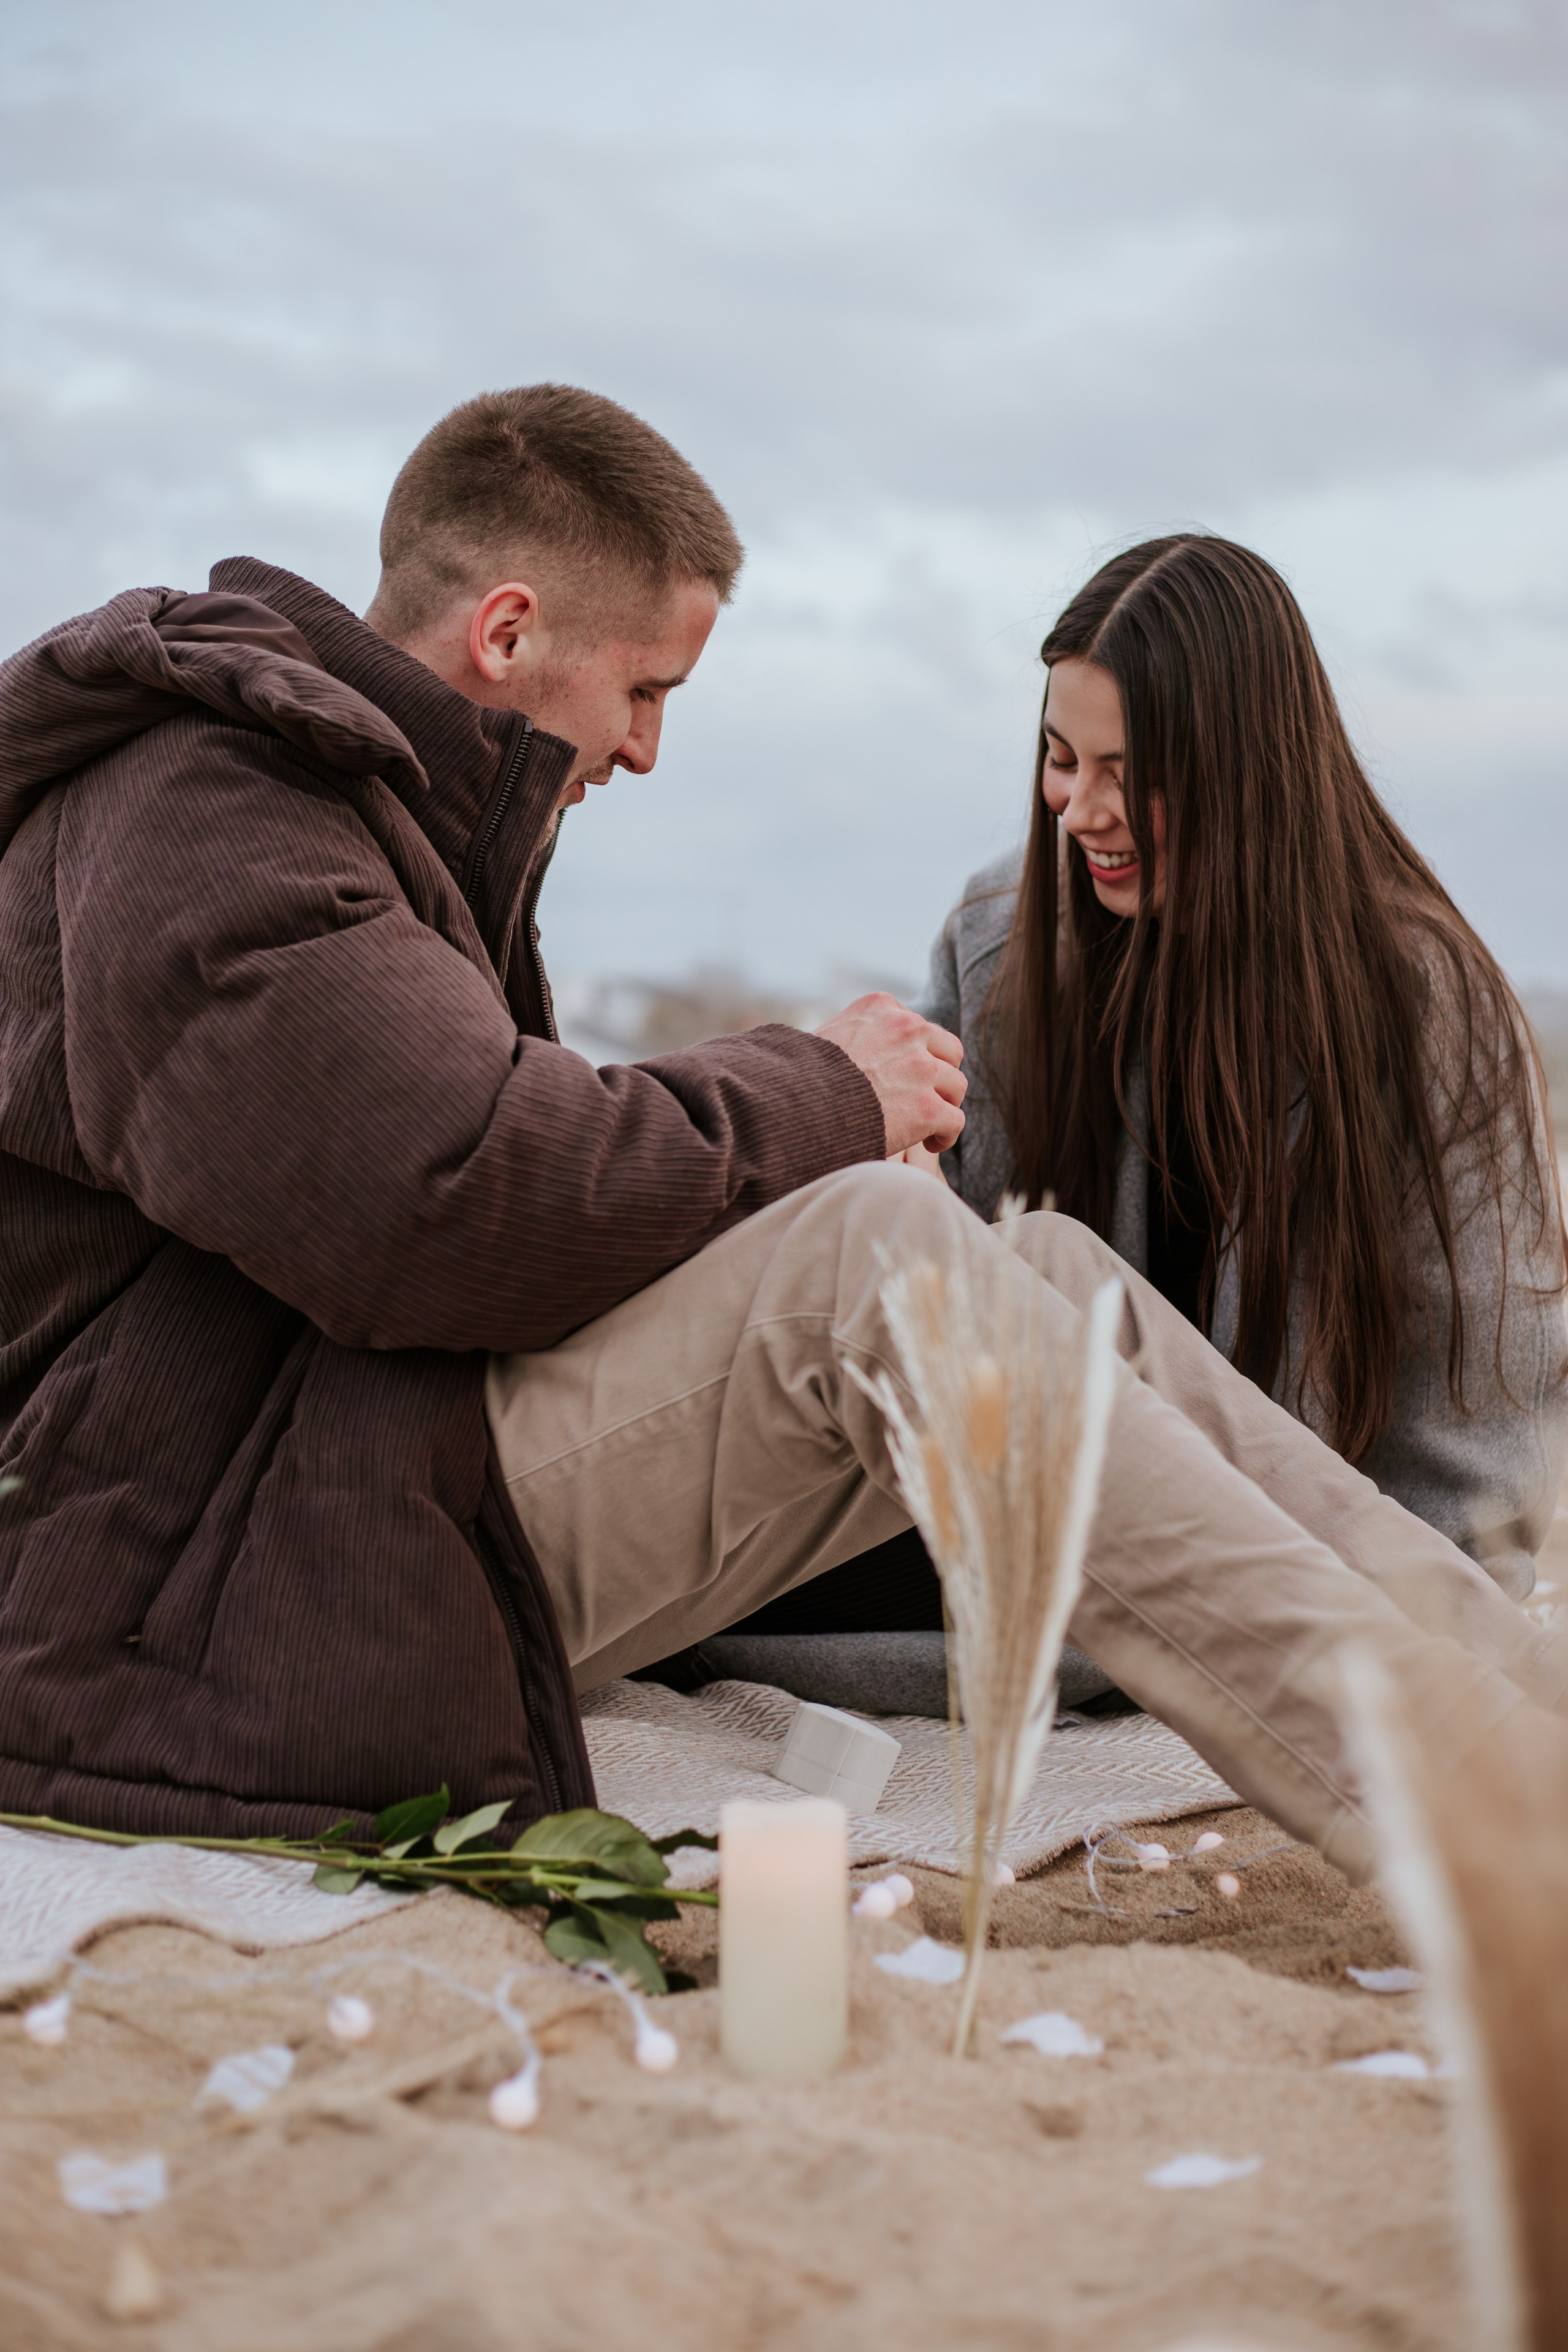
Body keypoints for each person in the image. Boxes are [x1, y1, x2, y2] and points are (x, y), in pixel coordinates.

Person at [0, 394, 1559, 1875]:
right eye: (647, 690)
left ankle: (1527, 1723)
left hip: (342, 1478)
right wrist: (816, 1094)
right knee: (882, 1261)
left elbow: (458, 1162)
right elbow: (448, 1199)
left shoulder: (351, 815)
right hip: (208, 1581)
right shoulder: (209, 814)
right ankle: (1494, 1838)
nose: (646, 750)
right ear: (507, 630)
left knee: (1044, 1268)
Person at [921, 535, 1568, 1600]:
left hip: (1312, 1586)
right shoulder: (1001, 942)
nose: (1081, 811)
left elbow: (1478, 1455)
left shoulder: (1423, 1004)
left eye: (1133, 775)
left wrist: (1392, 1638)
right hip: (1038, 1541)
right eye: (1062, 759)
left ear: (1246, 767)